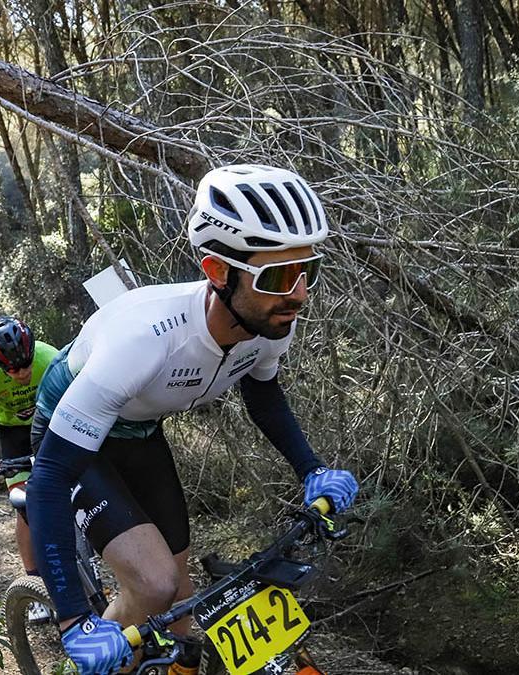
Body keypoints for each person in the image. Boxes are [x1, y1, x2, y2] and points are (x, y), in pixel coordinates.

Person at [25, 164, 360, 675]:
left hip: (138, 430)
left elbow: (263, 394)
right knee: (154, 585)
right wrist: (74, 621)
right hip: (69, 435)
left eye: (307, 271)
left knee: (180, 604)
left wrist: (311, 468)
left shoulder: (270, 321)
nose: (299, 295)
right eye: (277, 276)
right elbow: (49, 479)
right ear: (216, 272)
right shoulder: (142, 339)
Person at [0, 316, 58, 578]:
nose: (23, 373)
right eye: (13, 370)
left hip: (49, 421)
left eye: (26, 364)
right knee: (25, 505)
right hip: (12, 433)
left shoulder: (49, 356)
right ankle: (33, 577)